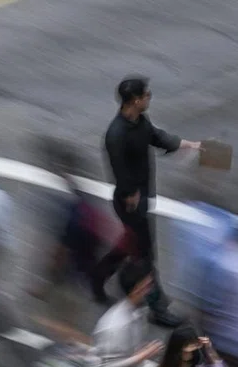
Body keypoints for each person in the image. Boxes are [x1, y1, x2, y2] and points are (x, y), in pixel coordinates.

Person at [96, 76, 202, 327]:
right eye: (146, 94)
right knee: (145, 256)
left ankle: (98, 277)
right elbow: (118, 168)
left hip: (141, 197)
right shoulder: (116, 134)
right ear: (135, 100)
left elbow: (155, 136)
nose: (149, 97)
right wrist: (130, 193)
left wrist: (184, 144)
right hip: (130, 203)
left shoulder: (140, 121)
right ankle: (158, 308)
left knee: (130, 247)